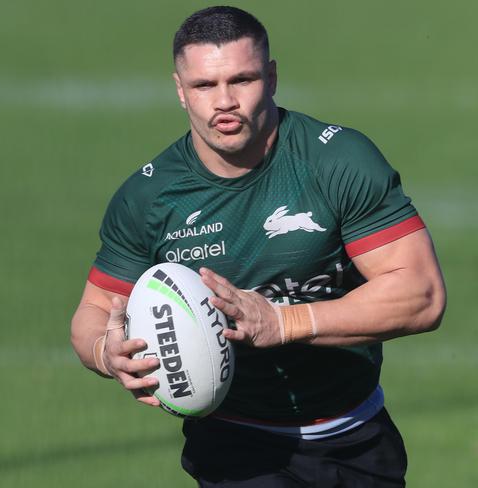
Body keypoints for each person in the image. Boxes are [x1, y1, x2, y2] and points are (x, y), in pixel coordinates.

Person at [71, 6, 446, 487]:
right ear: (180, 90)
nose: (224, 101)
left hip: (356, 436)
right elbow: (95, 309)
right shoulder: (148, 197)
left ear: (271, 78)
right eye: (205, 85)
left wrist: (282, 322)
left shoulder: (337, 161)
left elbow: (422, 294)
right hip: (236, 446)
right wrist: (106, 353)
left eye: (242, 80)